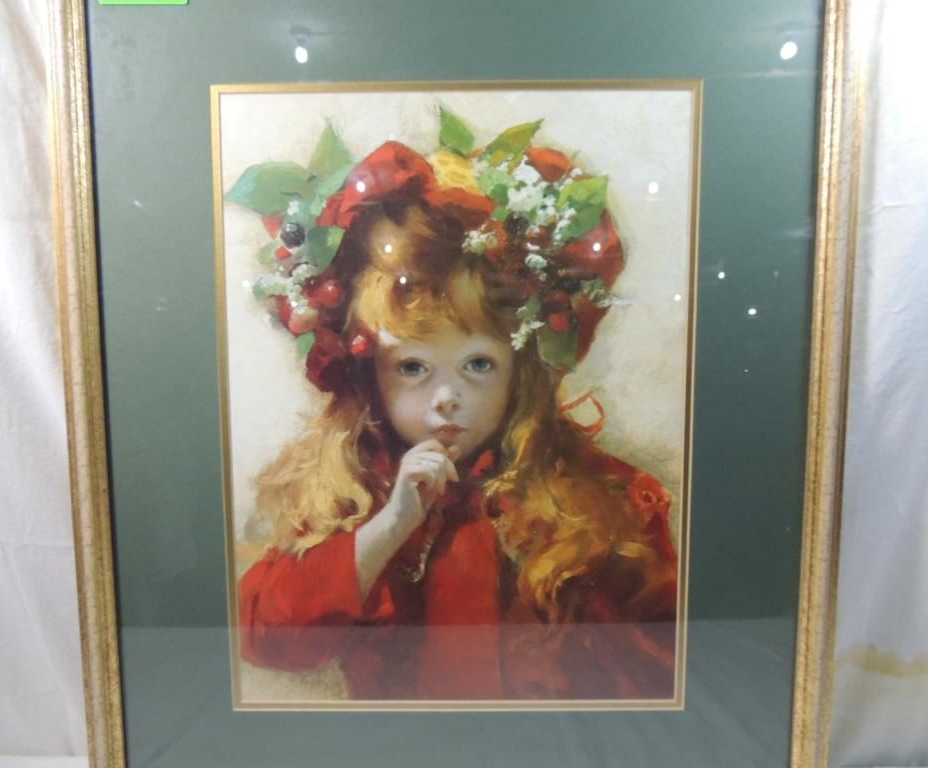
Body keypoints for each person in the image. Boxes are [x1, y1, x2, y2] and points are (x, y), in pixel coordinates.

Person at [232, 121, 678, 701]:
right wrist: (387, 530)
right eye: (413, 368)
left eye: (478, 364)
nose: (447, 396)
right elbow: (263, 635)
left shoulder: (606, 497)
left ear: (520, 370)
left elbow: (660, 668)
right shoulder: (351, 491)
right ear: (370, 375)